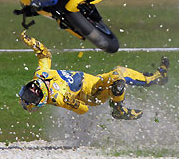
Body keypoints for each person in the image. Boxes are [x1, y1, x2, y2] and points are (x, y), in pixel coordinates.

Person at [18, 31, 169, 120]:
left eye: (27, 92)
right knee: (118, 80)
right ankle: (119, 110)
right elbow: (84, 110)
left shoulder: (40, 75)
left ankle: (156, 78)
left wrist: (33, 43)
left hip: (95, 80)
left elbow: (45, 56)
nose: (31, 93)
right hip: (92, 94)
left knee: (119, 72)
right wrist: (71, 102)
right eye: (30, 97)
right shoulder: (58, 97)